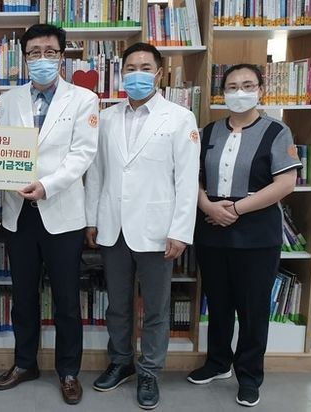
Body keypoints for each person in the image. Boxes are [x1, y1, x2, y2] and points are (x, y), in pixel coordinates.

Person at [84, 42, 200, 410]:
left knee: (155, 309)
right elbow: (96, 173)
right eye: (130, 68)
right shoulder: (106, 118)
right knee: (117, 305)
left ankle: (150, 370)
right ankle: (121, 362)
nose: (137, 74)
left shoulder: (179, 118)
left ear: (159, 73)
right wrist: (91, 219)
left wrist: (181, 230)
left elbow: (187, 179)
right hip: (113, 226)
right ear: (121, 74)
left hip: (157, 229)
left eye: (145, 68)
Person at [0, 24, 99, 405]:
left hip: (61, 213)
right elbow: (0, 148)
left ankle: (68, 371)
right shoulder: (9, 99)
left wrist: (47, 185)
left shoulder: (84, 99)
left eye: (49, 52)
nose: (42, 59)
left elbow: (82, 155)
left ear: (62, 56)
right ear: (24, 58)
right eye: (34, 52)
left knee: (67, 299)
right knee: (23, 296)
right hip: (18, 213)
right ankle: (25, 363)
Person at [186, 64, 301, 407]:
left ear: (261, 90)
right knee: (218, 303)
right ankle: (218, 362)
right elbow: (193, 177)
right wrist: (208, 206)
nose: (240, 92)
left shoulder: (276, 131)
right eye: (232, 86)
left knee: (252, 309)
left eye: (248, 85)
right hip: (211, 229)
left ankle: (249, 376)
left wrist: (236, 209)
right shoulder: (209, 131)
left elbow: (286, 183)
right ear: (222, 93)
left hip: (256, 233)